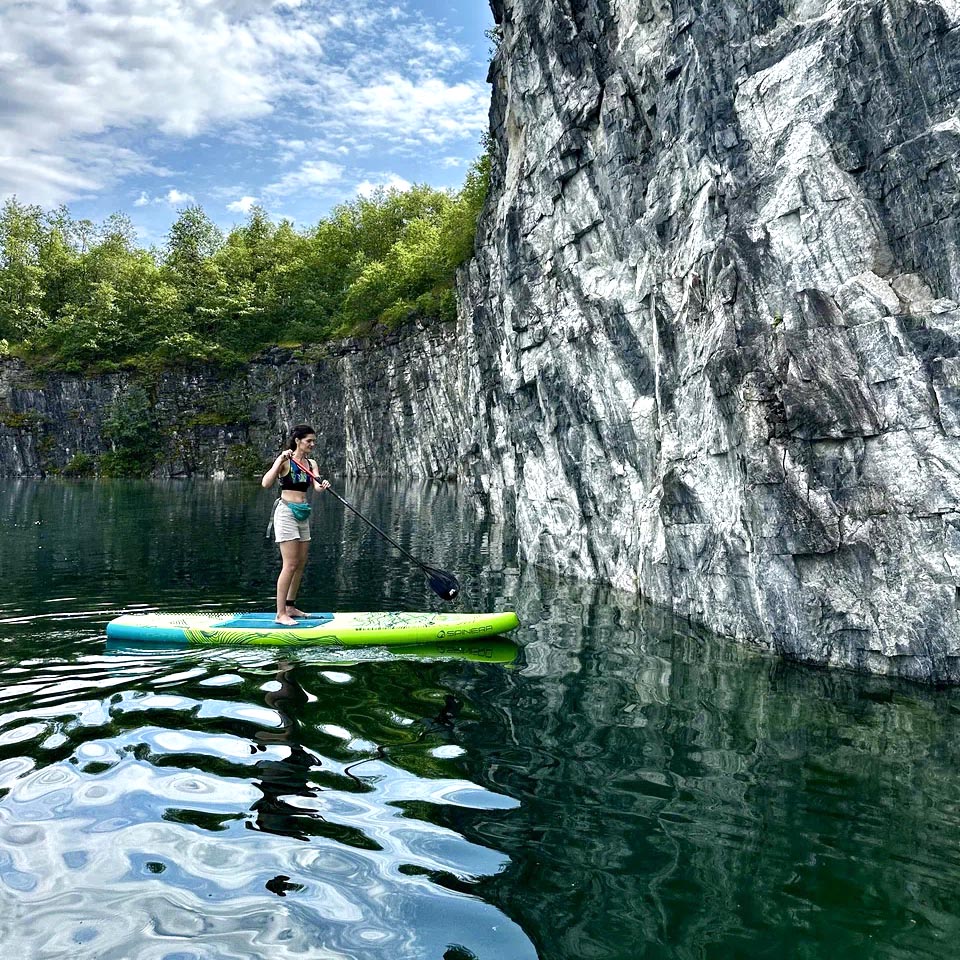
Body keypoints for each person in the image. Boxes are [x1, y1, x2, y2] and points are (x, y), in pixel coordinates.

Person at [261, 424, 330, 625]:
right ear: (298, 440)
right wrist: (279, 461)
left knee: (300, 563)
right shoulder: (285, 461)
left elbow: (316, 486)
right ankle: (280, 613)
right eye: (309, 441)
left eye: (314, 441)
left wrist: (322, 485)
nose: (312, 444)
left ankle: (290, 606)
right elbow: (266, 483)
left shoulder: (311, 463)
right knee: (289, 564)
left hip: (303, 513)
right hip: (286, 513)